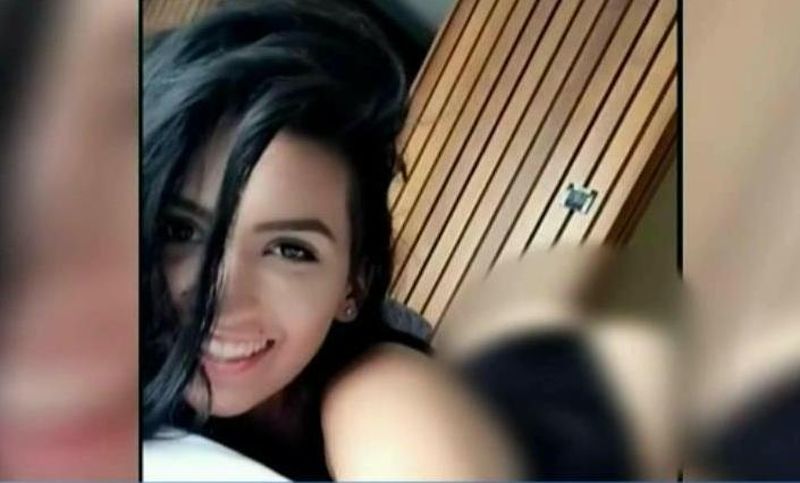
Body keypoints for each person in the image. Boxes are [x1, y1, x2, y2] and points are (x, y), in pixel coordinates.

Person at [141, 1, 520, 480]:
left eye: (290, 250)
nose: (221, 299)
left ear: (353, 285)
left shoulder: (377, 387)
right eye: (181, 230)